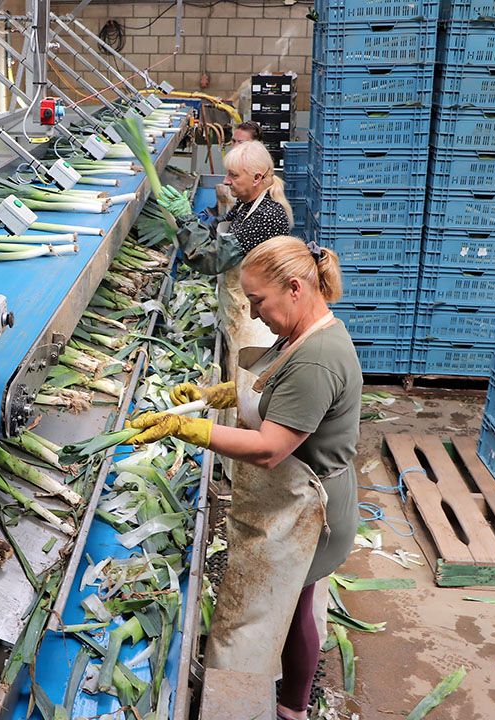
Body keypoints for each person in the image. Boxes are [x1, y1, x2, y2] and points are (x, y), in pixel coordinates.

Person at [128, 236, 362, 720]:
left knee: (278, 613)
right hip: (297, 500)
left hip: (306, 508)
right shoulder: (303, 331)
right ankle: (288, 699)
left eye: (258, 301)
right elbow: (275, 386)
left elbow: (270, 448)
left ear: (295, 288)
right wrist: (219, 395)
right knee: (296, 605)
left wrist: (189, 428)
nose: (253, 314)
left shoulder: (318, 358)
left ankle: (284, 707)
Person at [156, 140, 294, 371]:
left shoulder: (266, 215)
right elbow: (221, 225)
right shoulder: (246, 203)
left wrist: (187, 220)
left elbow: (214, 259)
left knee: (248, 380)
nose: (226, 181)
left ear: (257, 178)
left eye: (233, 175)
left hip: (257, 319)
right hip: (241, 308)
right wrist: (196, 219)